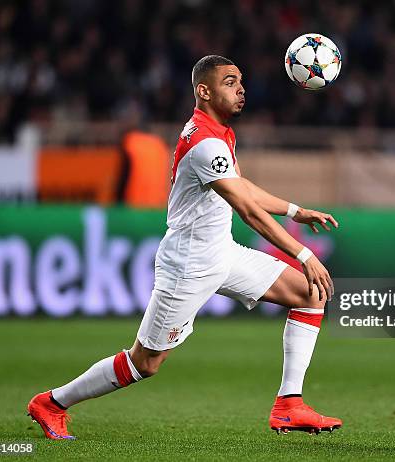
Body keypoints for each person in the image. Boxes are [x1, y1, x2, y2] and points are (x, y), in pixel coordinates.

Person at [27, 55, 342, 438]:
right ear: (203, 91)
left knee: (310, 294)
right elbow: (246, 210)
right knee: (145, 362)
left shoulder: (220, 132)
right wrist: (303, 253)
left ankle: (289, 406)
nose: (241, 88)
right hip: (188, 265)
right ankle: (51, 402)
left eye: (241, 81)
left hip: (221, 253)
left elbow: (242, 187)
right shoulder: (205, 142)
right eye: (230, 82)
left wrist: (295, 210)